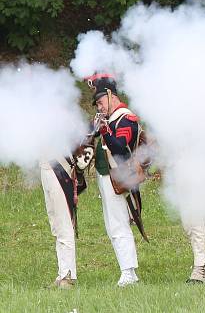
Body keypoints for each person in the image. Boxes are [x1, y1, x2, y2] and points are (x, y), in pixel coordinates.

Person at [86, 73, 144, 286]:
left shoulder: (126, 118)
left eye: (100, 101)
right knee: (113, 226)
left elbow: (120, 147)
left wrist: (104, 130)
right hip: (107, 177)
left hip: (120, 179)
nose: (99, 106)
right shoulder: (110, 119)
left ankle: (128, 272)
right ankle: (128, 271)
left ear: (111, 95)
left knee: (119, 225)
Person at [39, 145, 93, 288]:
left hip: (60, 169)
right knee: (56, 226)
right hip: (46, 168)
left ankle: (68, 276)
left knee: (64, 225)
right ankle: (62, 273)